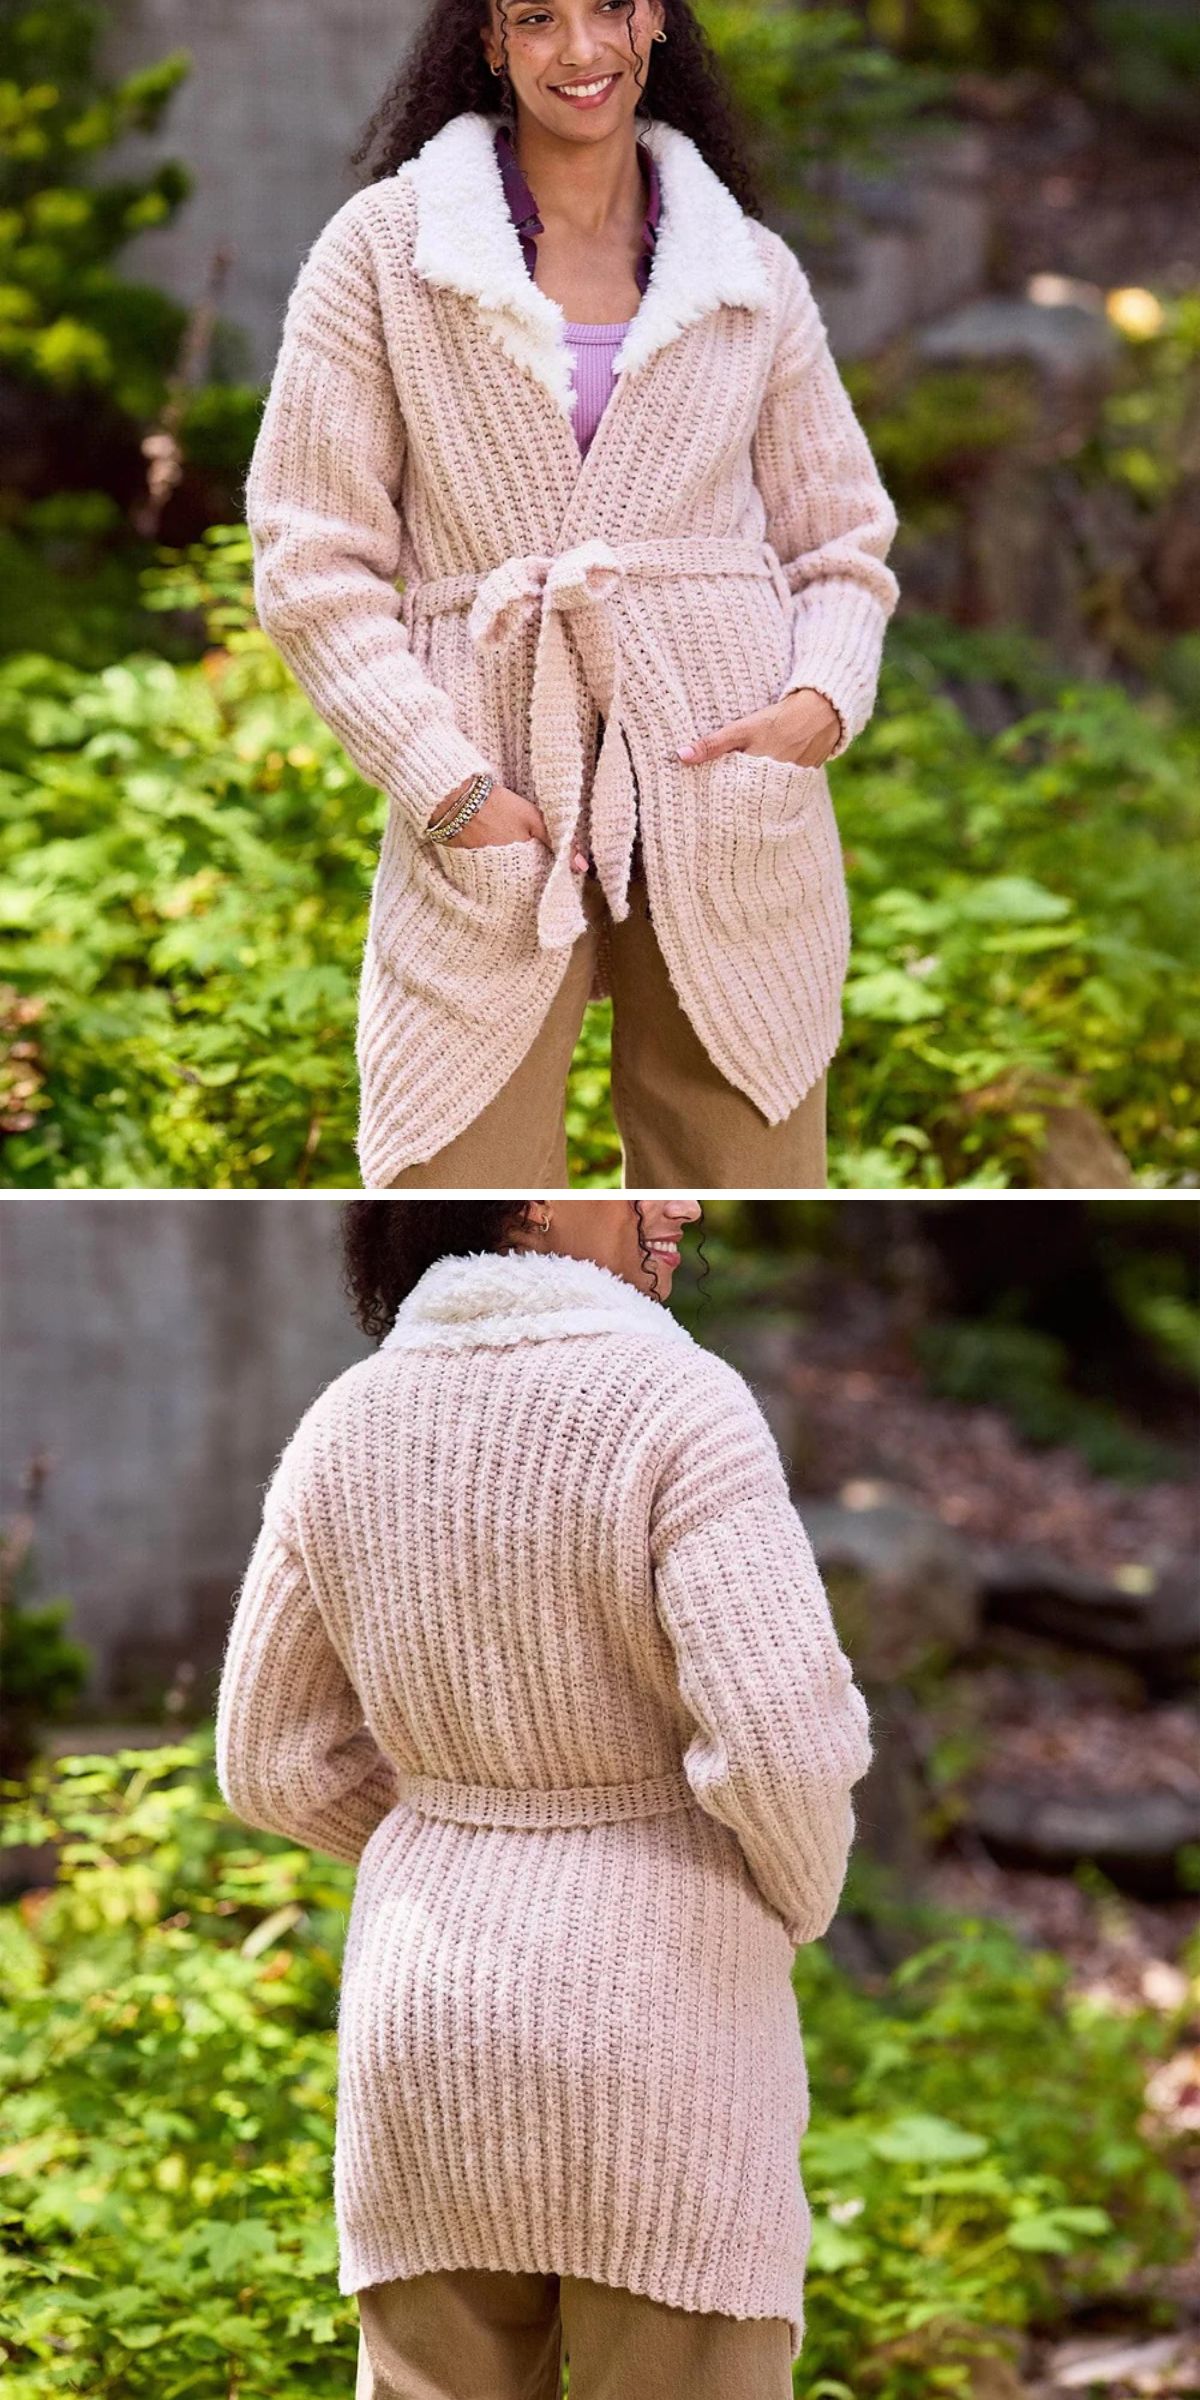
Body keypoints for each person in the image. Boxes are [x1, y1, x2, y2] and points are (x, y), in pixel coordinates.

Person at [215, 1198, 874, 2400]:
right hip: (664, 2010)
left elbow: (271, 1761)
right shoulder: (679, 1403)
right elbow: (782, 1744)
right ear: (526, 1194)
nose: (680, 1203)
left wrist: (460, 1841)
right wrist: (795, 1894)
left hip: (421, 2023)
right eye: (639, 1181)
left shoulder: (345, 1421)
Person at [244, 0, 900, 1190]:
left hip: (720, 766)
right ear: (489, 38)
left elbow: (841, 538)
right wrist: (447, 786)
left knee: (744, 1176)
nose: (582, 49)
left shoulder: (746, 268)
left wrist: (816, 705)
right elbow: (311, 557)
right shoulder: (387, 251)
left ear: (657, 20)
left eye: (610, 7)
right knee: (454, 1183)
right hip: (492, 766)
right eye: (539, 16)